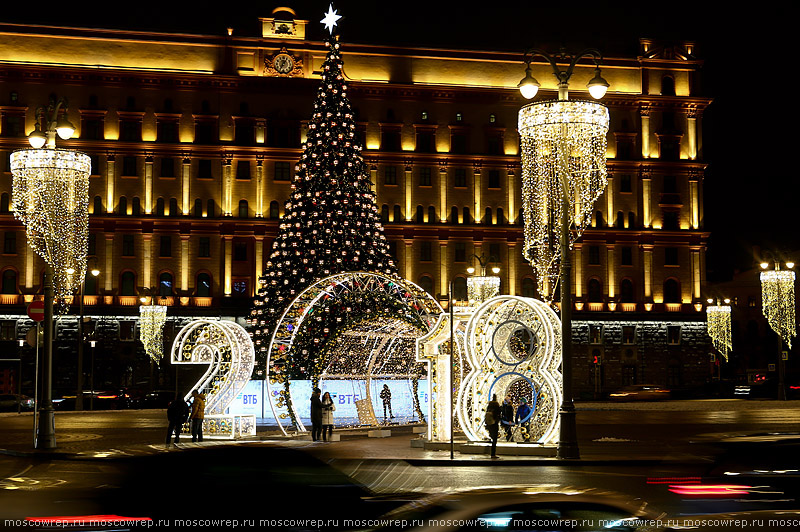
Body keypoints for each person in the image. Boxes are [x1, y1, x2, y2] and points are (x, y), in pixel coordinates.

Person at [485, 394, 502, 459]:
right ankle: (493, 454)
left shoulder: (489, 406)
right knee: (495, 439)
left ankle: (492, 453)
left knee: (492, 436)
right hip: (494, 423)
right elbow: (498, 414)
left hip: (489, 423)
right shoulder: (496, 405)